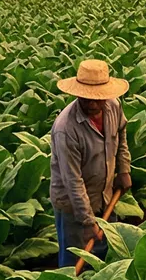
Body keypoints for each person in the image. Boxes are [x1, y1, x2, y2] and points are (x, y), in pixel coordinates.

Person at [50, 58, 132, 269]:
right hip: (72, 205)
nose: (93, 103)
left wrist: (124, 168)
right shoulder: (66, 129)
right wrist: (87, 221)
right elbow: (72, 181)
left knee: (105, 254)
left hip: (105, 195)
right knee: (75, 262)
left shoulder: (113, 106)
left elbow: (121, 134)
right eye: (86, 98)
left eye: (98, 98)